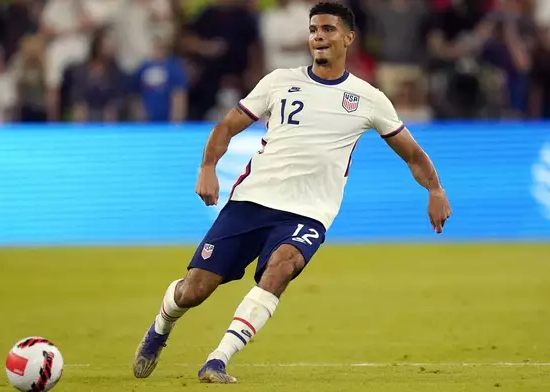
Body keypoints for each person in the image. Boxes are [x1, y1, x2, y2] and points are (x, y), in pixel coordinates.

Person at [133, 1, 452, 384]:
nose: (319, 36)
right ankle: (159, 330)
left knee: (281, 267)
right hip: (252, 201)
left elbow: (412, 154)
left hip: (309, 213)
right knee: (195, 289)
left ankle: (218, 359)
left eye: (328, 29)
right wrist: (207, 167)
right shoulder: (278, 81)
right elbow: (226, 127)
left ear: (349, 38)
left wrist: (435, 189)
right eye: (314, 29)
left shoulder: (368, 98)